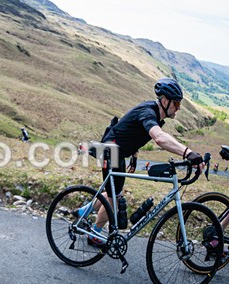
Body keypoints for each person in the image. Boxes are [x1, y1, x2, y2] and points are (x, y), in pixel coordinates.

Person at [87, 78, 203, 246]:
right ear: (164, 100)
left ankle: (82, 212)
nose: (178, 108)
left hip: (117, 151)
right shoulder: (148, 112)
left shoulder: (154, 113)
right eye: (176, 104)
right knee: (114, 199)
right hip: (111, 152)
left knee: (113, 192)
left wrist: (133, 154)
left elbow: (130, 130)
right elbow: (159, 138)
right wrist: (188, 153)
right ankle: (94, 234)